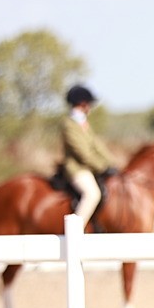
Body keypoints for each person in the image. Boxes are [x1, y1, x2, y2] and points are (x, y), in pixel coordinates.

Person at [60, 84, 115, 221]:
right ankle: (76, 230)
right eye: (89, 104)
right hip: (77, 169)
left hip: (91, 167)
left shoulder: (84, 123)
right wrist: (102, 166)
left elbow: (97, 146)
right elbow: (82, 153)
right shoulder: (69, 125)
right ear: (83, 103)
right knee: (92, 194)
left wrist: (112, 163)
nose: (90, 107)